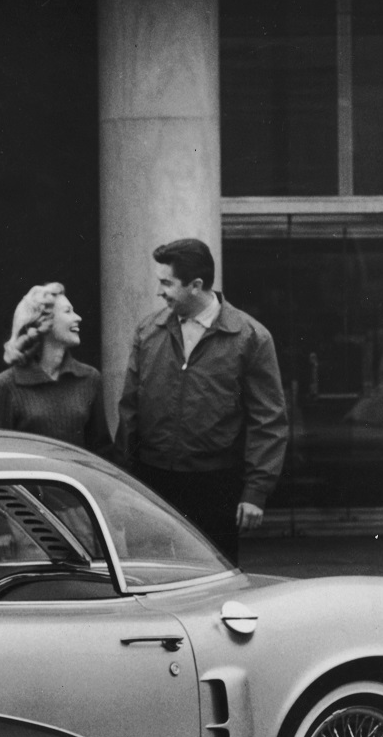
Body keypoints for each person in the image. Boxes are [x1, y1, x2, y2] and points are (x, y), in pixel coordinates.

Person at [117, 238, 288, 561]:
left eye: (166, 283)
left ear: (196, 285)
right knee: (151, 577)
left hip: (216, 486)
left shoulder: (250, 337)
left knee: (211, 582)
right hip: (151, 483)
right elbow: (129, 409)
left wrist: (255, 492)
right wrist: (123, 481)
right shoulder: (147, 332)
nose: (159, 292)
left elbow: (269, 421)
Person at [0, 283, 114, 456]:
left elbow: (102, 451)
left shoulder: (89, 378)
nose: (78, 318)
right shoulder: (7, 385)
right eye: (68, 311)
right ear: (44, 322)